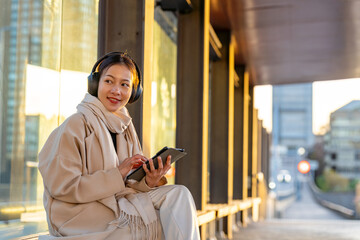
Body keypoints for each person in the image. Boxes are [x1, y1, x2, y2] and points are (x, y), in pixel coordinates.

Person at [38, 52, 200, 240]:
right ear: (95, 84)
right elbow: (63, 187)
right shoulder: (76, 125)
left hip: (119, 204)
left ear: (133, 91)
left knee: (179, 195)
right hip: (81, 216)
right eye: (109, 81)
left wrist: (149, 180)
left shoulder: (125, 126)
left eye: (124, 85)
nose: (117, 91)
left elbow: (129, 185)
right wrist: (118, 173)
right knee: (166, 225)